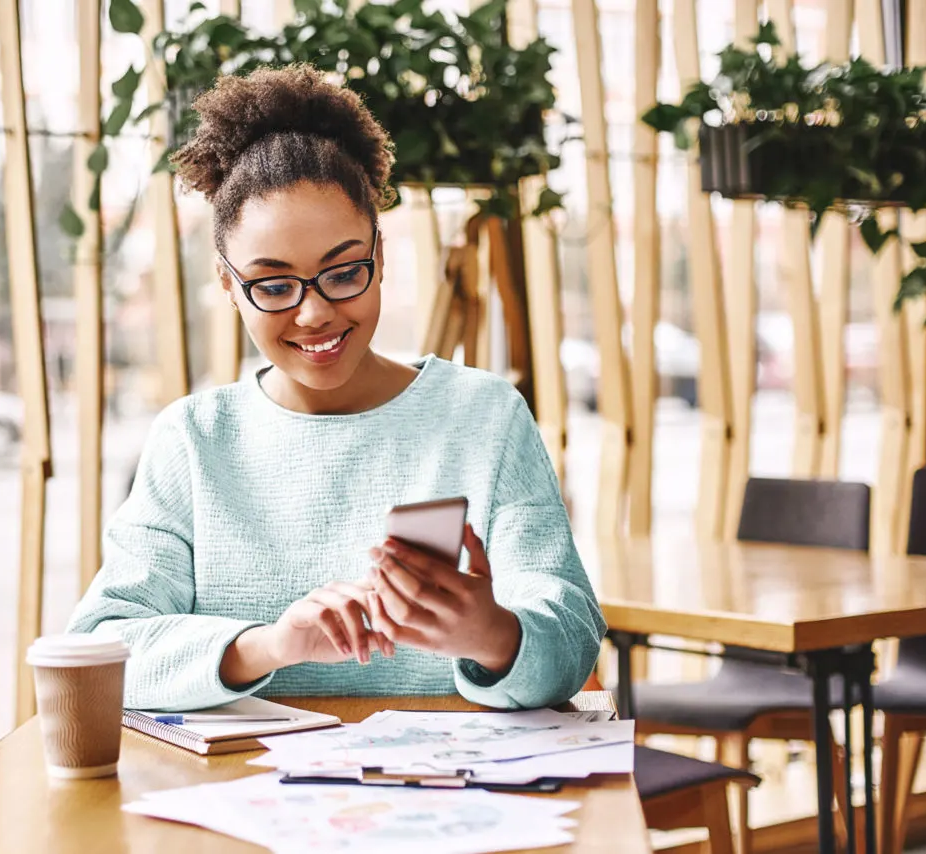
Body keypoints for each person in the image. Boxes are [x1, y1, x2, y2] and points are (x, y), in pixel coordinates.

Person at [68, 65, 605, 712]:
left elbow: (573, 639)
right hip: (242, 802)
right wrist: (270, 646)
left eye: (344, 272)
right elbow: (102, 646)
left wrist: (493, 635)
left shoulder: (484, 418)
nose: (314, 313)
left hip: (452, 796)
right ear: (226, 283)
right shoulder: (194, 440)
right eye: (272, 286)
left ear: (381, 256)